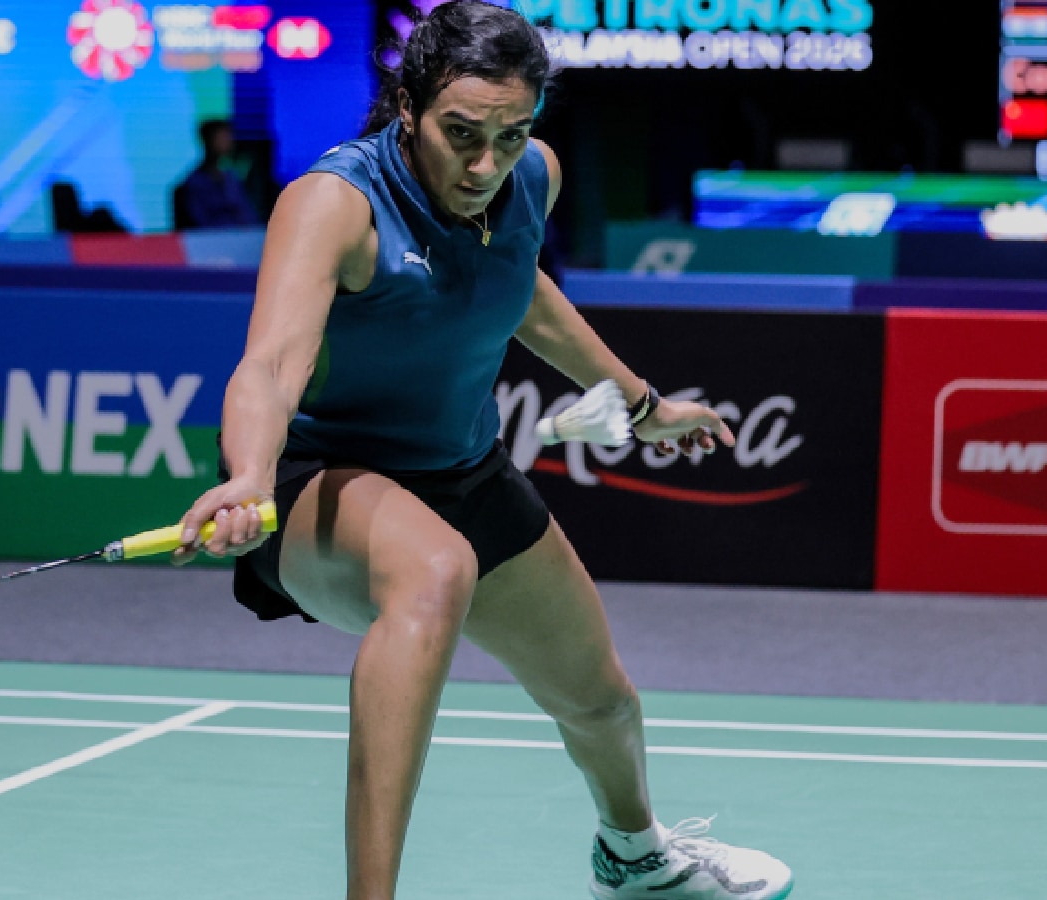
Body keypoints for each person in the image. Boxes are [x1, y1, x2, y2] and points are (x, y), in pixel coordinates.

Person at [170, 4, 794, 899]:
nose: (485, 165)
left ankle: (635, 857)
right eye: (461, 134)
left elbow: (522, 293)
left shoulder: (532, 177)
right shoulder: (335, 204)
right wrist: (250, 478)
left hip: (463, 471)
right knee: (436, 569)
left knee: (600, 698)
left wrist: (641, 403)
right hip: (323, 481)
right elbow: (270, 364)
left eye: (511, 135)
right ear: (408, 106)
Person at [172, 119, 261, 229]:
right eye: (221, 137)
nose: (227, 141)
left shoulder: (232, 180)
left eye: (228, 137)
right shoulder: (193, 184)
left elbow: (248, 217)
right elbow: (199, 223)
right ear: (207, 140)